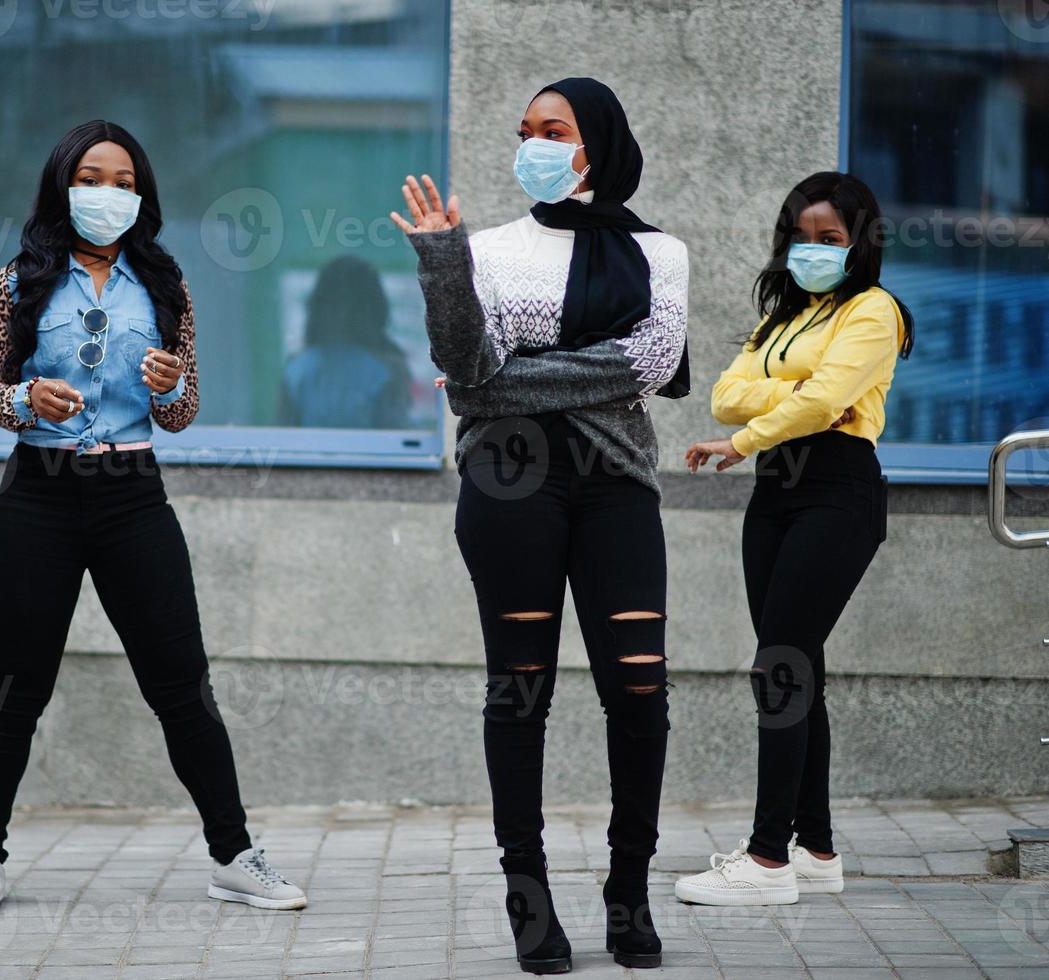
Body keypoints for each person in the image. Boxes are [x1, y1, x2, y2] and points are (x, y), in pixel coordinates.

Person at [0, 119, 306, 920]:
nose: (106, 193)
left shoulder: (165, 282)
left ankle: (234, 856)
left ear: (140, 195)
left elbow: (182, 413)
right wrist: (22, 398)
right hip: (37, 496)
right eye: (90, 177)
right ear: (60, 185)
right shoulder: (18, 281)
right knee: (12, 690)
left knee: (182, 687)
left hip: (131, 495)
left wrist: (171, 380)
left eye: (121, 181)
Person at [392, 77, 688, 973]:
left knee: (638, 684)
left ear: (593, 144)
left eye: (551, 129)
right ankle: (528, 898)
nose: (534, 143)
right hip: (507, 480)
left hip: (614, 481)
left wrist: (497, 383)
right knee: (519, 687)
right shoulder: (481, 249)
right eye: (523, 130)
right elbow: (458, 360)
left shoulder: (659, 252)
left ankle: (627, 891)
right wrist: (441, 259)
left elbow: (650, 358)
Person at [676, 171, 913, 906]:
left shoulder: (874, 314)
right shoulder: (783, 315)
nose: (811, 251)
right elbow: (726, 392)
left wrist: (749, 435)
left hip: (837, 494)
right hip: (775, 494)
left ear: (858, 243)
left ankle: (766, 861)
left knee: (775, 665)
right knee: (797, 666)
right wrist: (801, 403)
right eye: (800, 238)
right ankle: (814, 849)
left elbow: (825, 402)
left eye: (829, 239)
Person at [278, 254, 412, 429]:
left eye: (349, 304)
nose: (341, 313)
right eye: (332, 303)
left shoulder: (390, 368)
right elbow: (284, 433)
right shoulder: (299, 368)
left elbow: (396, 436)